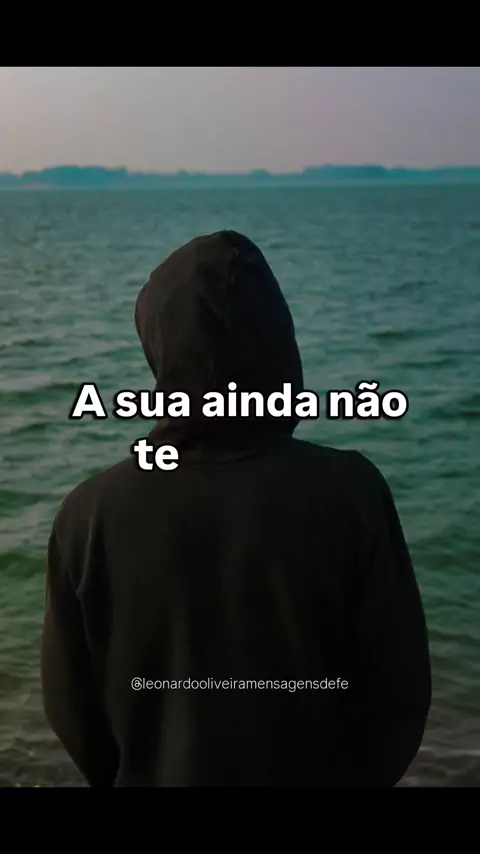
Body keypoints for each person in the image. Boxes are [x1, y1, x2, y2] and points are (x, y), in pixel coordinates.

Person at [41, 230, 431, 787]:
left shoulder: (89, 514)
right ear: (280, 343)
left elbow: (72, 709)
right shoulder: (351, 492)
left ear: (158, 344)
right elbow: (400, 692)